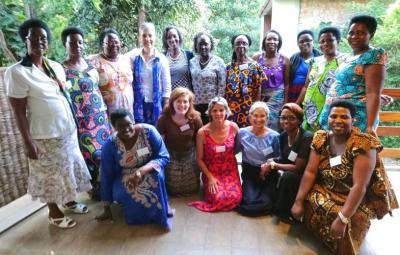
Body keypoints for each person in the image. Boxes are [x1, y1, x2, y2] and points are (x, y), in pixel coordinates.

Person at [5, 19, 92, 229]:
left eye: (42, 38)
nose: (38, 41)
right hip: (44, 135)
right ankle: (54, 212)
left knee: (67, 169)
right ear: (25, 40)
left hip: (66, 132)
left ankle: (70, 201)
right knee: (48, 175)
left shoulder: (54, 67)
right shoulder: (17, 72)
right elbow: (18, 111)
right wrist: (27, 142)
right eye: (32, 38)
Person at [291, 100, 398, 255]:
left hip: (354, 196)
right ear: (327, 118)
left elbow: (359, 186)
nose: (338, 121)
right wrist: (298, 201)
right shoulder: (321, 138)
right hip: (327, 188)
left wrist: (342, 218)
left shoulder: (363, 144)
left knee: (352, 219)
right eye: (333, 116)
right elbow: (310, 172)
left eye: (344, 117)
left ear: (352, 120)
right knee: (308, 199)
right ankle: (323, 237)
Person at [96, 109, 173, 229]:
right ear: (114, 128)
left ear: (133, 121)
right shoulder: (110, 145)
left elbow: (164, 156)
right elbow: (106, 174)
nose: (126, 129)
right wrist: (106, 207)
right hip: (124, 174)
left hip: (150, 168)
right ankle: (139, 218)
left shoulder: (149, 132)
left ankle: (159, 215)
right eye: (120, 127)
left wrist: (140, 172)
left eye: (128, 124)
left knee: (154, 180)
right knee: (127, 189)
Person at [62, 27, 111, 199]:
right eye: (72, 42)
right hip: (80, 122)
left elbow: (97, 89)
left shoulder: (90, 67)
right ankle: (94, 190)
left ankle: (106, 187)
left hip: (99, 118)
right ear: (65, 45)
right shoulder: (61, 70)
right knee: (88, 155)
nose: (77, 46)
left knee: (105, 152)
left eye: (80, 42)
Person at [319, 15, 387, 136]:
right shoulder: (349, 57)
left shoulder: (374, 55)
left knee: (353, 153)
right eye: (351, 33)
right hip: (337, 116)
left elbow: (373, 92)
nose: (354, 36)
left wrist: (370, 127)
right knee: (335, 154)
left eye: (361, 33)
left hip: (356, 118)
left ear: (371, 34)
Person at [188, 97, 242, 212]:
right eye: (215, 110)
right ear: (210, 113)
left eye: (221, 110)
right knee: (219, 198)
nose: (218, 113)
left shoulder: (234, 127)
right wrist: (210, 178)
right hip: (212, 172)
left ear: (227, 111)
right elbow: (199, 159)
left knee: (236, 198)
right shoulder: (202, 132)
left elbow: (237, 149)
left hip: (230, 170)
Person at [296, 26, 347, 133]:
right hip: (309, 108)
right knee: (307, 141)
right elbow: (306, 86)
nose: (325, 44)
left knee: (324, 141)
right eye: (322, 41)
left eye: (330, 40)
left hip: (328, 109)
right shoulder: (314, 61)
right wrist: (296, 105)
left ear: (337, 41)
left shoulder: (345, 60)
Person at [270, 103, 313, 222]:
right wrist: (270, 162)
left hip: (304, 176)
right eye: (283, 118)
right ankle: (270, 201)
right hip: (289, 170)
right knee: (269, 169)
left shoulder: (306, 137)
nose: (286, 121)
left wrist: (273, 165)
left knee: (288, 177)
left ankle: (285, 211)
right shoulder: (283, 135)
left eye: (292, 118)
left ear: (299, 120)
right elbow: (282, 158)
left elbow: (298, 168)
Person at [236, 102, 280, 216]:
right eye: (255, 115)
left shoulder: (275, 136)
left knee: (266, 201)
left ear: (267, 118)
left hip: (268, 173)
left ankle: (250, 208)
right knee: (250, 200)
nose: (258, 119)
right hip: (249, 172)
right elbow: (234, 151)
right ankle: (261, 207)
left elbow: (278, 157)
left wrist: (268, 166)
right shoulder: (242, 133)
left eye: (262, 116)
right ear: (250, 116)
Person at [156, 87, 203, 196]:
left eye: (185, 101)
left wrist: (200, 157)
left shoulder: (195, 117)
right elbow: (160, 142)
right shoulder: (163, 119)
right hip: (170, 153)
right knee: (173, 188)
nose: (182, 105)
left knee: (192, 187)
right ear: (172, 102)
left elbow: (200, 138)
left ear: (190, 103)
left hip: (190, 152)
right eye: (178, 101)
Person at [127, 22, 171, 125]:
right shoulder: (133, 55)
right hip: (138, 104)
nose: (147, 39)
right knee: (140, 133)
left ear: (155, 37)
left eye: (150, 35)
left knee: (155, 133)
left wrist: (165, 106)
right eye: (144, 35)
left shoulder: (162, 59)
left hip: (156, 105)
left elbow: (167, 87)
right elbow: (118, 61)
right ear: (140, 38)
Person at [87, 28, 133, 118]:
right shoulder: (93, 61)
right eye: (109, 42)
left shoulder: (127, 60)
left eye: (116, 42)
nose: (114, 45)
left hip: (128, 114)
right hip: (107, 116)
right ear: (102, 45)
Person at [225, 34, 267, 128]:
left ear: (248, 46)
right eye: (238, 43)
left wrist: (255, 109)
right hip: (231, 109)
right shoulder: (228, 67)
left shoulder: (255, 66)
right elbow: (224, 89)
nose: (241, 46)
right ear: (233, 46)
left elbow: (258, 90)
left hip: (248, 109)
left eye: (244, 43)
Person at [253, 30, 290, 130]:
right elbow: (252, 82)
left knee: (275, 128)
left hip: (278, 100)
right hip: (260, 98)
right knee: (260, 124)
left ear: (279, 42)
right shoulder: (256, 58)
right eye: (269, 39)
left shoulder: (285, 59)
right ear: (265, 41)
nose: (272, 41)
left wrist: (285, 103)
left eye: (275, 39)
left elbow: (287, 84)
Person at [190, 32, 226, 124]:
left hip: (213, 105)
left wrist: (217, 106)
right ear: (196, 46)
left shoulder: (219, 62)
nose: (203, 47)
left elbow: (222, 86)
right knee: (199, 130)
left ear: (211, 45)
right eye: (200, 44)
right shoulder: (192, 62)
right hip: (196, 104)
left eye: (205, 44)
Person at [288, 30, 321, 103]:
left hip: (312, 93)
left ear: (313, 42)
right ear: (298, 44)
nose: (305, 43)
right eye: (301, 41)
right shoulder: (294, 58)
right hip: (293, 93)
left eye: (308, 40)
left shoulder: (320, 57)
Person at [162, 26, 194, 90]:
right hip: (170, 98)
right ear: (166, 41)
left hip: (186, 97)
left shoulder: (188, 55)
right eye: (169, 37)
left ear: (179, 37)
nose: (172, 39)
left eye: (174, 36)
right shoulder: (163, 57)